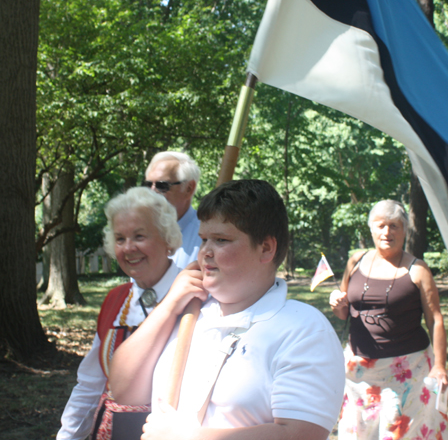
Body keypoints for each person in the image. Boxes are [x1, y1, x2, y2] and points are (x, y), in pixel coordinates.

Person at [109, 179, 345, 440]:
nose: (205, 252)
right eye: (203, 239)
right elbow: (123, 390)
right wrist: (168, 306)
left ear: (266, 248)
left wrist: (189, 438)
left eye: (221, 240)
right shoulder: (187, 311)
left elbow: (301, 434)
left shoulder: (303, 329)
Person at [57, 187, 183, 440]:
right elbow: (91, 384)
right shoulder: (116, 300)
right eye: (120, 239)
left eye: (139, 236)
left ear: (167, 239)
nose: (128, 248)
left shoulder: (197, 300)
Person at [330, 200, 448, 440]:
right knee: (360, 432)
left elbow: (435, 319)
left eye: (395, 226)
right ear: (371, 229)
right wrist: (337, 303)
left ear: (405, 230)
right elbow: (344, 312)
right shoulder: (355, 262)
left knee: (400, 433)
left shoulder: (417, 270)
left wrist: (439, 365)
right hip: (359, 373)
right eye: (381, 225)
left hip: (408, 370)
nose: (387, 232)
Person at [144, 151, 201, 269]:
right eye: (148, 185)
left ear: (189, 189)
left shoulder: (207, 238)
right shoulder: (140, 232)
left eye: (162, 185)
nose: (152, 192)